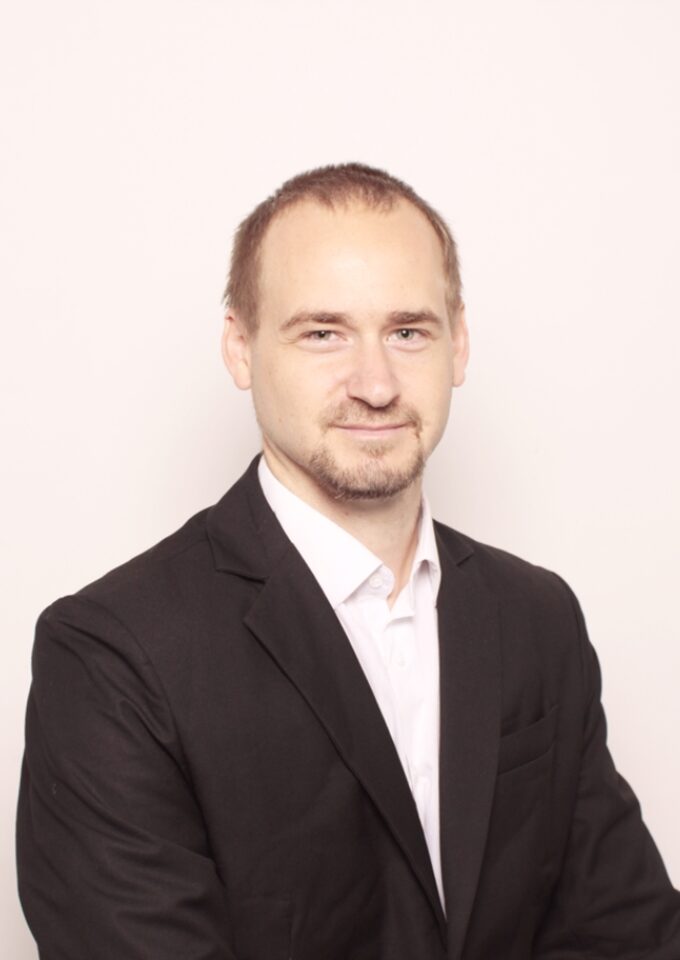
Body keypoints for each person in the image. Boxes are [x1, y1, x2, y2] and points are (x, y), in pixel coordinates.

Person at [17, 162, 680, 959]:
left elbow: (630, 934)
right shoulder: (112, 657)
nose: (376, 384)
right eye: (323, 333)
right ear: (240, 348)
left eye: (408, 332)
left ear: (459, 344)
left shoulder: (537, 618)